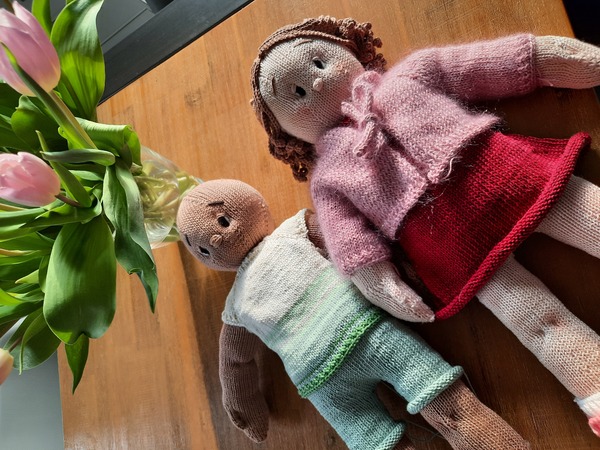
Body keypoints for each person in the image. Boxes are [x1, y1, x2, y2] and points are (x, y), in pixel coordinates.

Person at [250, 16, 600, 435]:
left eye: (319, 63)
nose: (317, 83)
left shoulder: (411, 75)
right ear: (286, 132)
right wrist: (384, 285)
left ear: (349, 49)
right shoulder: (327, 179)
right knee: (538, 321)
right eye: (296, 94)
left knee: (590, 216)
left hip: (512, 177)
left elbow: (483, 65)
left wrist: (552, 60)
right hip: (454, 246)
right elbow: (350, 245)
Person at [176, 179, 530, 450]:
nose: (217, 241)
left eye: (223, 220)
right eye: (203, 248)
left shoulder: (285, 244)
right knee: (449, 410)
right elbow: (234, 362)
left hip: (339, 365)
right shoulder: (243, 297)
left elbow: (235, 363)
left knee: (401, 431)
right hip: (363, 342)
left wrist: (242, 405)